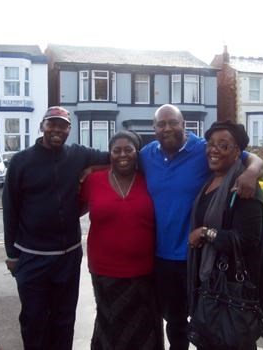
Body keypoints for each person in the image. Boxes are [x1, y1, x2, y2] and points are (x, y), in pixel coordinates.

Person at [139, 104, 263, 350]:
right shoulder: (146, 155)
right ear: (154, 129)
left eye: (173, 122)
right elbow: (117, 160)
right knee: (174, 322)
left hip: (197, 257)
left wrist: (253, 171)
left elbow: (249, 157)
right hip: (162, 257)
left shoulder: (203, 149)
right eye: (161, 124)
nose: (167, 128)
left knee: (207, 321)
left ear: (184, 124)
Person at [2, 106, 109, 350]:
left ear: (69, 130)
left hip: (68, 257)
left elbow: (116, 156)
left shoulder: (79, 155)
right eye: (52, 124)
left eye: (62, 125)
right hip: (32, 257)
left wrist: (93, 168)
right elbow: (10, 209)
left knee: (64, 320)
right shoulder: (21, 161)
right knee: (34, 320)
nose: (57, 129)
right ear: (42, 126)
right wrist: (11, 254)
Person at [187, 120, 263, 350]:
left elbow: (248, 240)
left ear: (237, 152)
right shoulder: (211, 180)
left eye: (223, 145)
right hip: (212, 286)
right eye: (211, 143)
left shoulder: (244, 186)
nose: (214, 149)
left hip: (232, 289)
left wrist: (205, 233)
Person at [79, 131, 164, 350]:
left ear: (137, 153)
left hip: (144, 271)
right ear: (110, 154)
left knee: (144, 328)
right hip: (104, 271)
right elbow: (73, 210)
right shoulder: (93, 180)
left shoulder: (150, 181)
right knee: (110, 326)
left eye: (128, 150)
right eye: (116, 150)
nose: (122, 155)